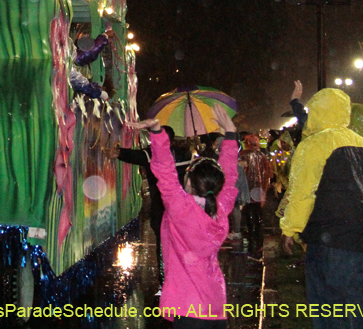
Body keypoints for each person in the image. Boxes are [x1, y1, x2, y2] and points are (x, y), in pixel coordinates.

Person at [280, 89, 363, 329]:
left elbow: (302, 192)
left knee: (329, 307)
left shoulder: (313, 145)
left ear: (316, 111)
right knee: (354, 304)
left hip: (331, 241)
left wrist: (289, 228)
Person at [129, 106, 238, 329]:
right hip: (216, 306)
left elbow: (165, 171)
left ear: (188, 180)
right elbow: (230, 176)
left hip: (188, 308)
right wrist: (231, 135)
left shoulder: (181, 209)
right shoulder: (220, 208)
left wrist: (157, 132)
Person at [106, 125, 191, 285]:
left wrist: (118, 153)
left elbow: (139, 156)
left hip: (162, 208)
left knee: (163, 244)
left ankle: (166, 281)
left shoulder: (153, 154)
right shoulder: (184, 154)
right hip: (183, 208)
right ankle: (182, 278)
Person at [239, 133, 272, 258]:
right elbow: (268, 171)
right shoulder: (262, 156)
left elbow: (240, 172)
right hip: (258, 187)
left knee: (247, 209)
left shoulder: (243, 156)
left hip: (246, 186)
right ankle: (258, 230)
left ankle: (250, 230)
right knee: (257, 209)